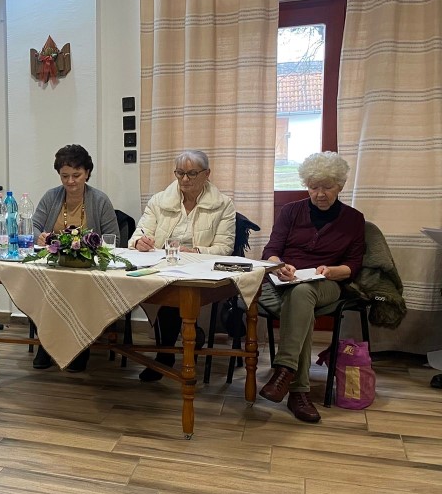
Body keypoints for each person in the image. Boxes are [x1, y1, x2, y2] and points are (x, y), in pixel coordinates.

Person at [258, 151, 365, 423]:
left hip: (327, 284)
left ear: (340, 186)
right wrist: (279, 266)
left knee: (303, 293)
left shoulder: (354, 219)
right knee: (300, 297)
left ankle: (284, 369)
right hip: (286, 281)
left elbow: (353, 265)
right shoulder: (290, 211)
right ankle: (298, 391)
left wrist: (332, 271)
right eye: (313, 186)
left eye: (327, 187)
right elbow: (271, 251)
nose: (319, 194)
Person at [128, 150, 236, 381]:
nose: (185, 179)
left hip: (200, 268)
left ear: (207, 174)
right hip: (163, 265)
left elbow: (224, 248)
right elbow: (138, 235)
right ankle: (182, 341)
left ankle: (166, 355)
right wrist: (140, 242)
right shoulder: (159, 201)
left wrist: (195, 251)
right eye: (180, 173)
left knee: (176, 293)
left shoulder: (223, 204)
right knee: (158, 288)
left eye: (192, 174)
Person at [30, 144, 119, 371]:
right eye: (65, 176)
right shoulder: (51, 197)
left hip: (87, 269)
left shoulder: (100, 200)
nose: (70, 181)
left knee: (79, 291)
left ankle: (80, 347)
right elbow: (32, 227)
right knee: (37, 287)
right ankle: (45, 344)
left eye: (76, 175)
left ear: (87, 173)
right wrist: (39, 237)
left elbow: (113, 238)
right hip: (54, 266)